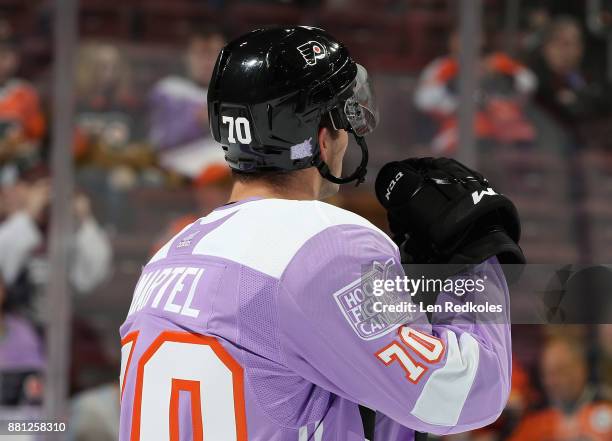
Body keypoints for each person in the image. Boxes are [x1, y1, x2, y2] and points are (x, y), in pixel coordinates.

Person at [119, 26, 520, 440]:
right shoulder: (329, 246)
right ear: (323, 137)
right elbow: (462, 394)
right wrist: (474, 261)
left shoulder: (167, 258)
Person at [414, 27, 537, 154]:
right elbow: (423, 100)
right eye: (460, 37)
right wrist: (457, 100)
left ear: (481, 39)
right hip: (458, 124)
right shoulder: (443, 66)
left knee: (524, 134)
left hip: (499, 124)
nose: (468, 42)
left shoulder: (496, 62)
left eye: (474, 36)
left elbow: (529, 83)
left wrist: (502, 71)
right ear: (452, 40)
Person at [149, 28, 226, 180]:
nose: (206, 61)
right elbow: (159, 142)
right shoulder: (169, 90)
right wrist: (196, 120)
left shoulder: (240, 95)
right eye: (200, 54)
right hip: (179, 176)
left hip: (227, 178)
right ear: (187, 56)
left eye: (213, 54)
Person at [508, 338, 612, 441]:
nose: (553, 381)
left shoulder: (606, 404)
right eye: (547, 374)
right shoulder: (534, 418)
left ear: (580, 368)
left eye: (561, 370)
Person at [528, 17, 612, 142]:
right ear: (546, 46)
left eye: (573, 43)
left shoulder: (586, 78)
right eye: (560, 42)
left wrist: (578, 99)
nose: (565, 50)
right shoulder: (532, 79)